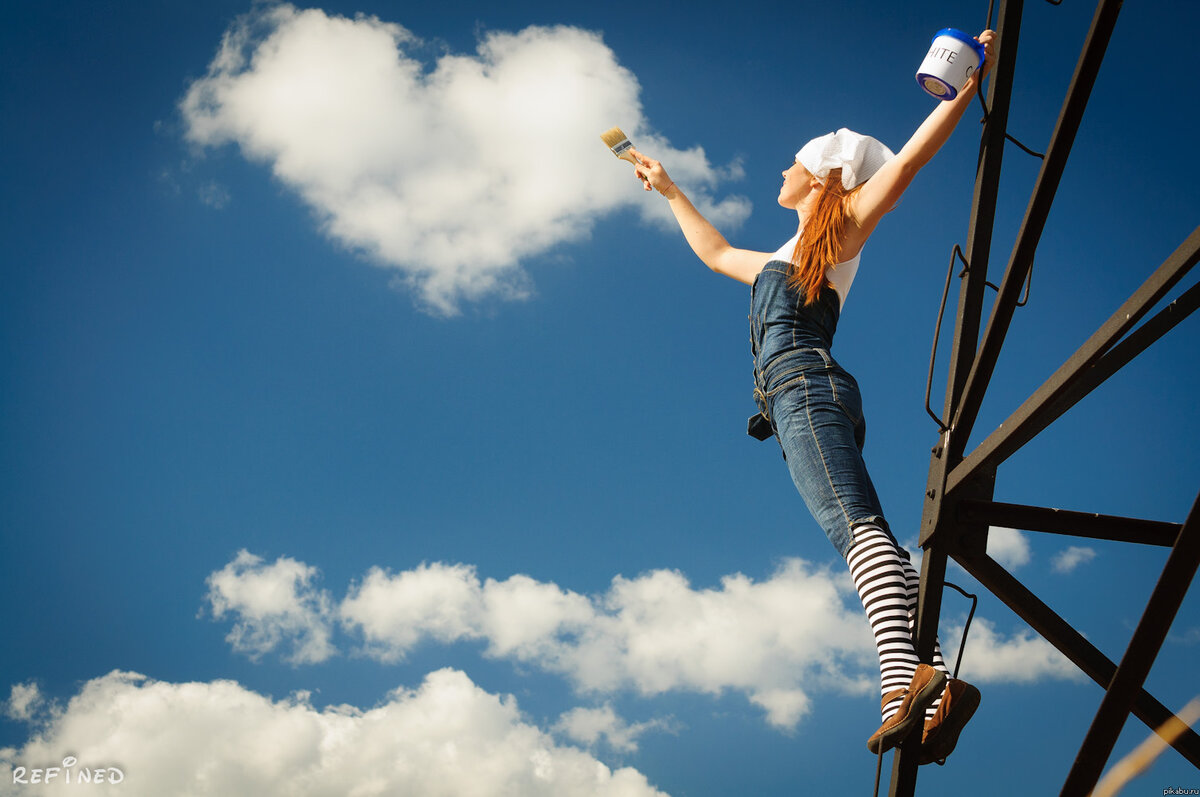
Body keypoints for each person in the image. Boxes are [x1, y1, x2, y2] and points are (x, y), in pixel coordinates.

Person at [627, 30, 997, 763]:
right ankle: (939, 685)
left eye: (793, 162)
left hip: (806, 386)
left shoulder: (842, 230)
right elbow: (712, 253)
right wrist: (670, 189)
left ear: (822, 174)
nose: (781, 168)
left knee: (855, 530)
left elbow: (913, 159)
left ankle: (905, 684)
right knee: (866, 532)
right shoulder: (785, 254)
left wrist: (966, 89)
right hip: (802, 392)